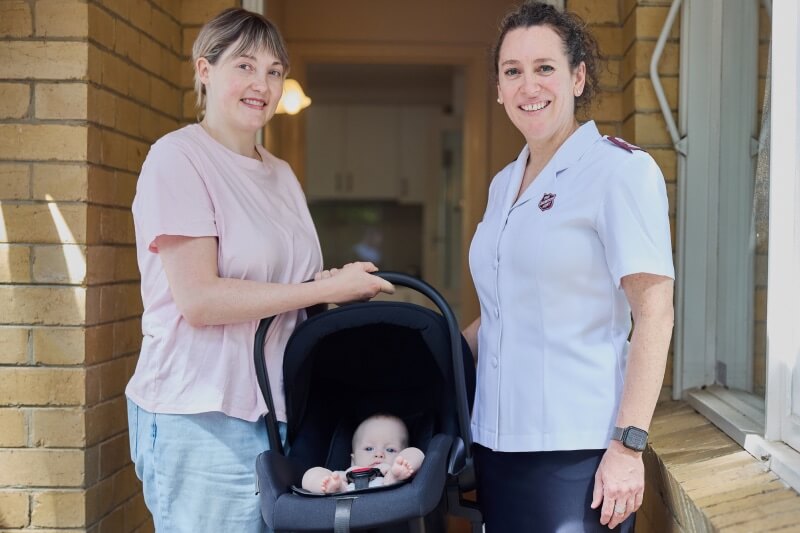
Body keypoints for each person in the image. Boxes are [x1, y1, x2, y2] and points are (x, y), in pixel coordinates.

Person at [125, 8, 394, 533]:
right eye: (245, 66)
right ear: (205, 70)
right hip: (200, 414)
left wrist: (331, 286)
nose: (262, 84)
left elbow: (292, 286)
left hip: (274, 414)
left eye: (274, 71)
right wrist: (313, 289)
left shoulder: (281, 174)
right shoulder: (178, 159)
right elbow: (199, 300)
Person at [461, 2, 674, 531]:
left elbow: (655, 313)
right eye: (512, 72)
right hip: (495, 443)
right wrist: (416, 349)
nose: (528, 86)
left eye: (545, 68)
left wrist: (629, 447)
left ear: (578, 77)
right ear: (498, 88)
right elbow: (504, 312)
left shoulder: (618, 171)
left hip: (578, 453)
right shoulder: (502, 184)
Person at [301, 414, 425, 494]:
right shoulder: (348, 473)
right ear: (353, 460)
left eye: (390, 450)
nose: (379, 454)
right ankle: (331, 489)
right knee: (311, 473)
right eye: (369, 448)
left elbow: (417, 454)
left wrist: (404, 464)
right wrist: (326, 480)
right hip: (345, 493)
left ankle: (397, 475)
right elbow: (328, 476)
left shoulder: (389, 470)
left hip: (388, 486)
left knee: (413, 455)